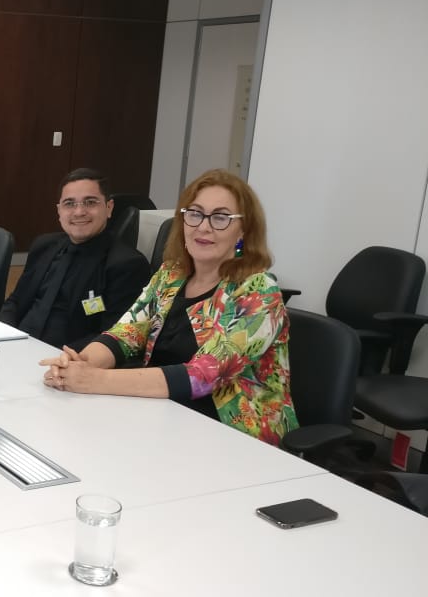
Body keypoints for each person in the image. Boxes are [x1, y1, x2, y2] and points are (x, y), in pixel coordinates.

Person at [40, 169, 297, 445]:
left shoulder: (257, 291)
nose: (204, 227)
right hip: (163, 417)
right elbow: (126, 333)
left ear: (244, 229)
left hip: (236, 437)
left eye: (221, 218)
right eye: (195, 214)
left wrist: (94, 380)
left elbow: (202, 376)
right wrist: (80, 363)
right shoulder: (171, 274)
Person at [0, 168, 149, 350]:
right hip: (13, 345)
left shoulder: (126, 265)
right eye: (69, 204)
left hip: (66, 358)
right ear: (59, 211)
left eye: (90, 202)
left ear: (109, 208)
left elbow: (112, 336)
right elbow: (16, 301)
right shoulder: (44, 246)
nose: (79, 212)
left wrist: (61, 358)